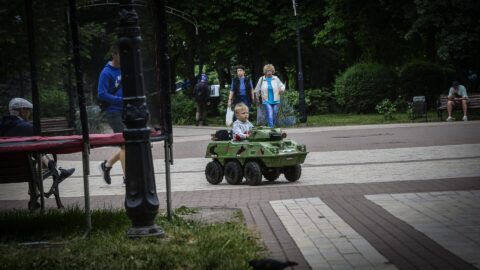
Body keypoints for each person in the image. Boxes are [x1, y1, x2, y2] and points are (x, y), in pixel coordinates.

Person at [0, 98, 75, 207]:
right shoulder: (27, 128)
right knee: (34, 162)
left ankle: (37, 195)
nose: (29, 113)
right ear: (22, 111)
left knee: (31, 162)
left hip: (3, 170)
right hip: (24, 170)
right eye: (28, 110)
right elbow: (37, 150)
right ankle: (55, 171)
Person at [97, 44, 125, 185]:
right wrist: (120, 100)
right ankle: (127, 178)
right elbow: (101, 94)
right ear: (114, 54)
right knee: (125, 145)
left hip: (126, 110)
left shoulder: (124, 68)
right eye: (121, 55)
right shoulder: (106, 72)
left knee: (129, 144)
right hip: (113, 111)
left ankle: (106, 165)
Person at [254, 64, 286, 128]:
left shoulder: (276, 78)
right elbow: (257, 88)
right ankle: (271, 128)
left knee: (274, 113)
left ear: (272, 71)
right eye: (267, 71)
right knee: (270, 114)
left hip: (276, 99)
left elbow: (282, 85)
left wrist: (281, 90)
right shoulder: (261, 79)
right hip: (266, 100)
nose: (269, 72)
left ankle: (272, 126)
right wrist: (257, 96)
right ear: (265, 72)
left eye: (270, 71)